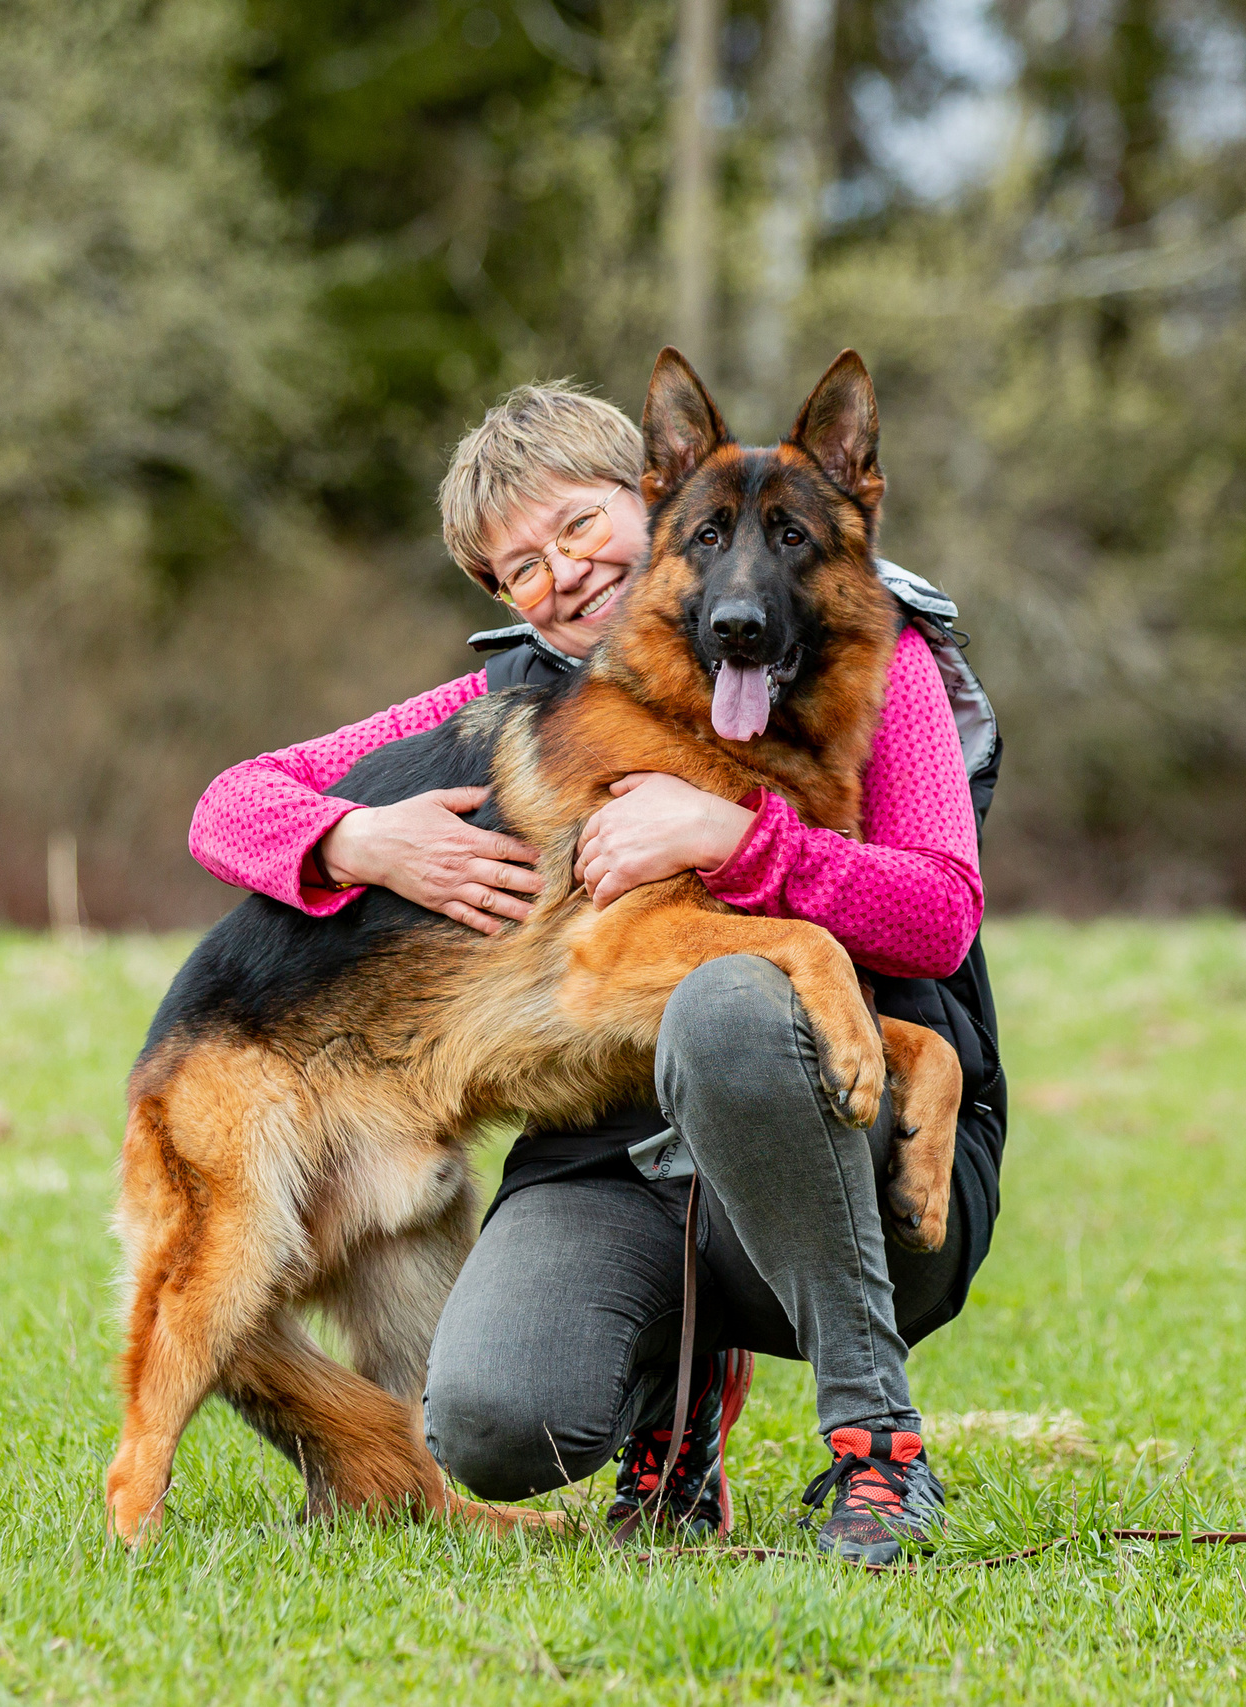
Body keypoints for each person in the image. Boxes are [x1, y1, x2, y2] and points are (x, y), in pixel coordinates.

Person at [187, 380, 1006, 1564]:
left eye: (578, 528)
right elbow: (229, 802)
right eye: (517, 567)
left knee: (731, 1005)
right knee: (489, 1420)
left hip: (861, 1138)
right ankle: (668, 1424)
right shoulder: (521, 691)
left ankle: (875, 1452)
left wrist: (734, 840)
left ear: (656, 497)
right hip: (621, 1159)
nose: (559, 576)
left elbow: (936, 920)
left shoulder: (875, 654)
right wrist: (356, 840)